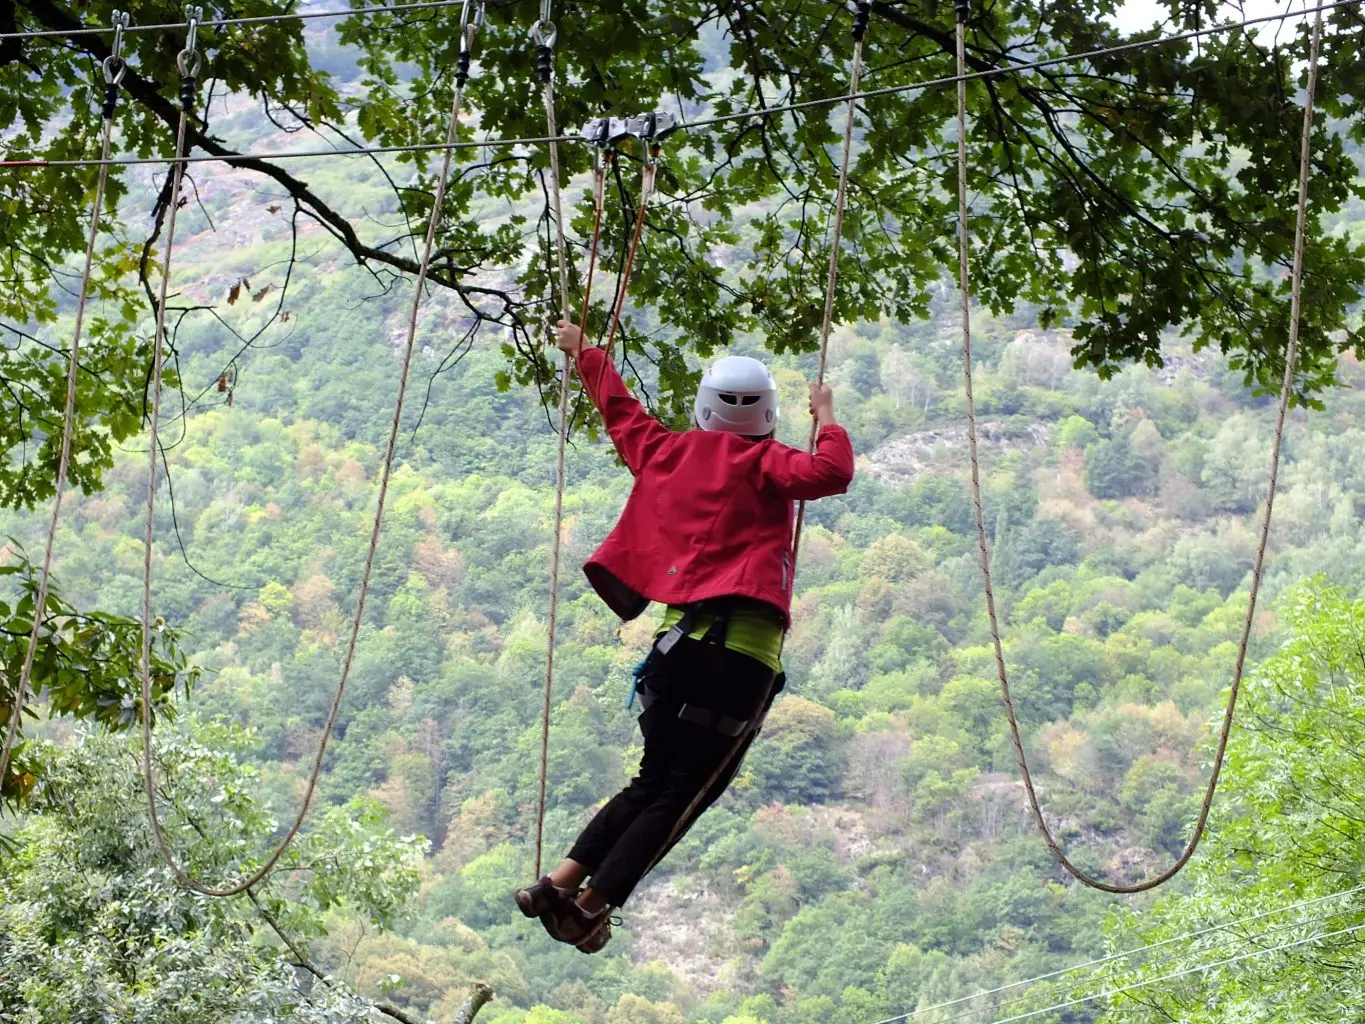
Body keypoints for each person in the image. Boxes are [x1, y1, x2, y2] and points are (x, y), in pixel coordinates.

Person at [515, 319, 855, 953]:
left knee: (652, 782)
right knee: (681, 796)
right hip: (740, 661)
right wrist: (827, 415)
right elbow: (832, 472)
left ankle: (556, 885)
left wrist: (583, 352)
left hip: (674, 652)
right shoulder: (768, 462)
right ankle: (589, 904)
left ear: (703, 406)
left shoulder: (665, 450)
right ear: (767, 416)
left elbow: (619, 410)